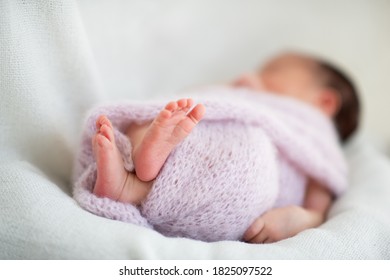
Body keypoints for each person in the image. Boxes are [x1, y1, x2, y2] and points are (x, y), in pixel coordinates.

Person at [89, 52, 360, 243]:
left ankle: (134, 186)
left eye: (271, 73)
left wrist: (299, 219)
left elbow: (318, 211)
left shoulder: (318, 137)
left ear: (325, 102)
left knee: (249, 165)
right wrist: (235, 93)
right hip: (201, 139)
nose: (251, 76)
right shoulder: (247, 94)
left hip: (245, 181)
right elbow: (211, 103)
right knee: (164, 119)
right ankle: (139, 161)